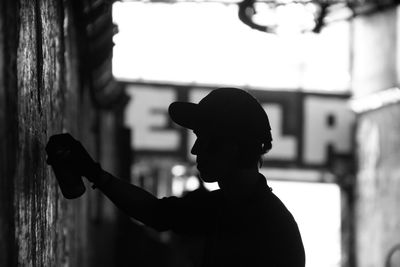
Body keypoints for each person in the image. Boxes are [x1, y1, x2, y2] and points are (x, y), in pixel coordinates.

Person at [46, 87, 305, 267]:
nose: (195, 150)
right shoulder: (231, 207)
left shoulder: (262, 224)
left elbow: (156, 214)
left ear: (231, 146)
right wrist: (92, 172)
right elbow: (157, 212)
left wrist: (94, 172)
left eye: (203, 138)